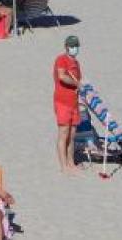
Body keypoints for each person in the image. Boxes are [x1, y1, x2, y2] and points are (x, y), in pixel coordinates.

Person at [54, 35, 82, 172]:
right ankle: (63, 166)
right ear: (66, 47)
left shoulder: (76, 63)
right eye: (72, 46)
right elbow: (62, 76)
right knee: (63, 133)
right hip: (62, 102)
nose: (74, 48)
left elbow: (78, 82)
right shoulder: (61, 59)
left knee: (72, 135)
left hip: (74, 102)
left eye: (76, 46)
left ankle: (71, 163)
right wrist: (76, 83)